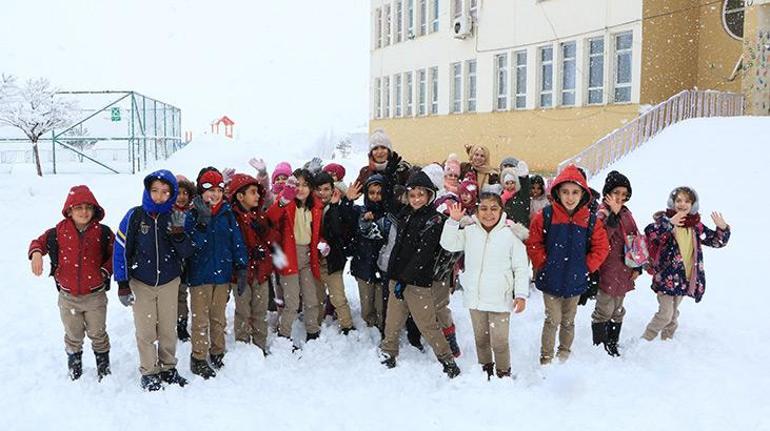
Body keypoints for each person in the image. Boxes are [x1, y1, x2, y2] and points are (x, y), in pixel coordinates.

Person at [114, 170, 193, 390]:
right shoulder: (134, 216)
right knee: (146, 330)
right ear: (148, 191)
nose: (159, 196)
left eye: (165, 192)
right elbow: (120, 250)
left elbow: (187, 252)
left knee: (168, 329)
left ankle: (168, 368)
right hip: (141, 283)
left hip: (169, 282)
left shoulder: (177, 217)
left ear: (172, 194)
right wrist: (122, 283)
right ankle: (149, 371)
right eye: (155, 191)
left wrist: (178, 235)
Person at [379, 169, 461, 378]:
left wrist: (404, 281)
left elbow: (422, 255)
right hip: (397, 277)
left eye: (421, 195)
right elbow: (397, 245)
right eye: (412, 195)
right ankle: (389, 352)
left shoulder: (434, 221)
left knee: (427, 324)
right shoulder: (405, 214)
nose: (416, 199)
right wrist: (393, 276)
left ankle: (447, 359)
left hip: (417, 283)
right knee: (393, 320)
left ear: (429, 196)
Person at [29, 185, 114, 381]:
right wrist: (35, 254)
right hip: (67, 297)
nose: (84, 212)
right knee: (73, 335)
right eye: (78, 207)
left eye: (88, 207)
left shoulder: (102, 232)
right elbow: (38, 243)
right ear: (69, 210)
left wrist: (104, 271)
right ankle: (75, 370)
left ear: (94, 210)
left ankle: (104, 370)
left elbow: (116, 254)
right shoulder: (57, 232)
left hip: (95, 296)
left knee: (98, 334)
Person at [526, 164, 609, 365]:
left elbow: (602, 247)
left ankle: (564, 353)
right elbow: (534, 243)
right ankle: (546, 358)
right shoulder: (545, 216)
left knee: (568, 321)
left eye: (574, 192)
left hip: (575, 280)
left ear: (583, 194)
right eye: (565, 192)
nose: (570, 197)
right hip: (551, 279)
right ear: (557, 192)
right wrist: (544, 263)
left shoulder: (589, 220)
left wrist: (586, 267)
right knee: (552, 319)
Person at [440, 193, 529, 379]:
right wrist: (452, 222)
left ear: (502, 211)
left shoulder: (510, 236)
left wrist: (520, 295)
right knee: (481, 339)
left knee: (499, 341)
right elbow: (448, 244)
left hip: (500, 298)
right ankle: (485, 369)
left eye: (494, 208)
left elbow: (520, 267)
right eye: (484, 208)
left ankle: (503, 373)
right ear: (477, 211)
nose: (489, 214)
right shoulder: (470, 232)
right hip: (476, 297)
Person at [642, 186, 730, 341]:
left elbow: (716, 241)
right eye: (679, 200)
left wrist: (723, 228)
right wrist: (670, 223)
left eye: (687, 201)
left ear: (693, 205)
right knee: (665, 314)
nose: (682, 204)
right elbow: (652, 234)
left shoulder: (695, 226)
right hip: (666, 278)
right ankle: (646, 339)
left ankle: (667, 340)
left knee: (673, 312)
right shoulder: (664, 221)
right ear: (672, 202)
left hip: (685, 278)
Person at [185, 168, 248, 379]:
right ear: (201, 192)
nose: (215, 194)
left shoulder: (227, 214)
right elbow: (191, 246)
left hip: (222, 275)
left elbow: (236, 242)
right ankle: (199, 357)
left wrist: (241, 266)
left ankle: (218, 351)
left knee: (218, 317)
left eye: (219, 190)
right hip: (200, 276)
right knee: (200, 319)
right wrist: (202, 223)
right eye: (210, 190)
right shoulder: (192, 214)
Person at [266, 169, 326, 345]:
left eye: (305, 185)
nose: (301, 189)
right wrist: (284, 199)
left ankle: (312, 331)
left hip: (307, 258)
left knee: (311, 298)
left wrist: (323, 243)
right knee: (291, 302)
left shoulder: (315, 207)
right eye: (297, 185)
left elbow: (317, 232)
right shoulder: (285, 204)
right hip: (289, 258)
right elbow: (271, 218)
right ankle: (284, 335)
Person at [591, 171, 642, 357]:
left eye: (624, 193)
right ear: (608, 193)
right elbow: (601, 238)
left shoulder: (627, 213)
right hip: (608, 267)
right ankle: (600, 347)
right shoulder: (602, 212)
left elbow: (635, 238)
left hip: (625, 267)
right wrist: (612, 215)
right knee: (604, 307)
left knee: (618, 308)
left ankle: (613, 342)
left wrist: (638, 266)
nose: (620, 197)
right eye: (616, 193)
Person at [228, 173, 279, 355]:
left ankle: (260, 346)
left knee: (259, 311)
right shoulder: (231, 218)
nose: (257, 196)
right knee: (243, 311)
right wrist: (249, 254)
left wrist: (264, 230)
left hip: (261, 272)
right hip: (240, 274)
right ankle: (243, 347)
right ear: (240, 196)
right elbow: (232, 245)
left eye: (258, 192)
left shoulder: (260, 216)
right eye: (252, 192)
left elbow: (273, 239)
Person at [343, 175, 390, 332]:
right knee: (367, 308)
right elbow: (344, 218)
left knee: (382, 306)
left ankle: (382, 329)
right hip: (363, 266)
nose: (375, 197)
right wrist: (348, 201)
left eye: (379, 193)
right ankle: (370, 333)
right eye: (371, 193)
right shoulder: (359, 212)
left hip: (383, 268)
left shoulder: (389, 215)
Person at [313, 171, 356, 334]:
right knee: (316, 297)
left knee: (338, 297)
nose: (322, 193)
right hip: (314, 262)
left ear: (333, 190)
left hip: (333, 261)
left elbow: (338, 230)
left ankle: (347, 325)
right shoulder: (310, 207)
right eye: (319, 189)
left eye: (326, 189)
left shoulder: (336, 207)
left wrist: (336, 206)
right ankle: (315, 323)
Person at [174, 175, 196, 342]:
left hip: (189, 259)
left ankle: (182, 323)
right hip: (172, 259)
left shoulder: (193, 212)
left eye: (185, 193)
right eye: (178, 192)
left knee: (182, 293)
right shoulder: (167, 211)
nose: (181, 197)